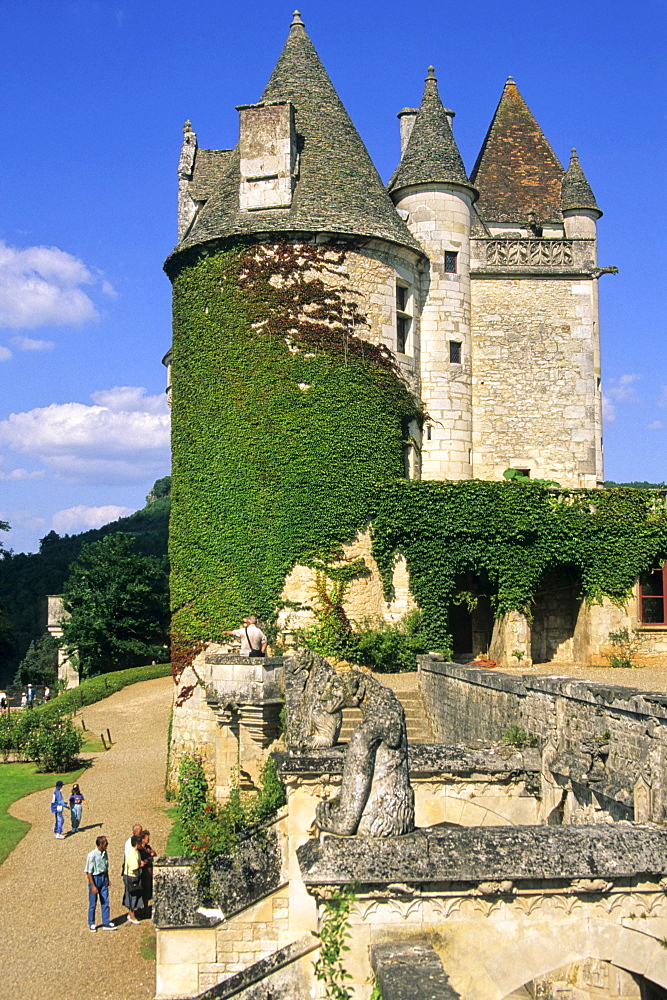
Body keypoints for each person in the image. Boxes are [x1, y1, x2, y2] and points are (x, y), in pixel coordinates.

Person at [84, 835, 118, 931]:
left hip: (103, 878)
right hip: (95, 878)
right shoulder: (92, 855)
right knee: (92, 903)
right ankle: (91, 923)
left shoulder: (104, 853)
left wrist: (107, 879)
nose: (107, 844)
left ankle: (106, 922)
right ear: (100, 844)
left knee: (105, 901)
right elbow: (89, 872)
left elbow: (106, 866)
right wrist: (93, 886)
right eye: (105, 843)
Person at [122, 834, 144, 924]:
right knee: (132, 896)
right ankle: (131, 915)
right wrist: (140, 864)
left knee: (135, 895)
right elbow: (133, 866)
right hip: (131, 877)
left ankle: (132, 913)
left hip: (134, 876)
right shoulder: (132, 852)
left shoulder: (135, 852)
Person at [139, 829, 157, 916]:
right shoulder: (140, 849)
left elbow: (154, 855)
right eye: (147, 838)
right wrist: (149, 858)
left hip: (148, 872)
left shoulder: (148, 848)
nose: (148, 840)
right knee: (142, 891)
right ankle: (140, 909)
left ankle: (146, 908)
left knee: (147, 891)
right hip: (143, 873)